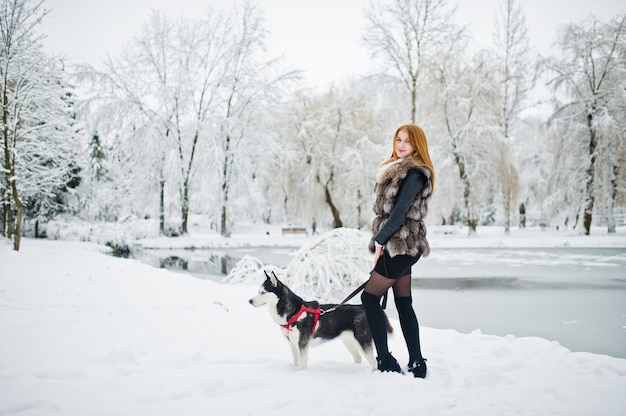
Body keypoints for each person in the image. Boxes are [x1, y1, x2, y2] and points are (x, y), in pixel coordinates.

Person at [361, 123, 435, 378]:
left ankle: (385, 358)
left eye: (407, 141)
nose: (401, 145)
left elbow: (399, 213)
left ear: (417, 145)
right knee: (403, 302)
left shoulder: (414, 173)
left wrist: (380, 241)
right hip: (403, 245)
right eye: (398, 139)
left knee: (369, 298)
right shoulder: (400, 171)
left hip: (400, 244)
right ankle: (417, 362)